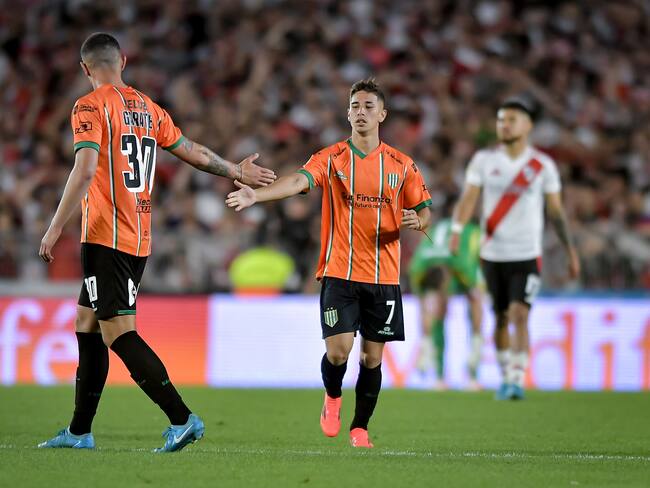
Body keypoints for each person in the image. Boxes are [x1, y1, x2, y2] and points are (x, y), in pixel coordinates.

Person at [37, 33, 275, 451]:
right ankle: (79, 431)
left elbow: (86, 167)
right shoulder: (148, 109)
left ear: (84, 68)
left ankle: (182, 419)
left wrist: (56, 225)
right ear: (123, 60)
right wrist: (234, 170)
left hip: (105, 235)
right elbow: (194, 152)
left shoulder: (89, 106)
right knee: (86, 324)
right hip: (138, 235)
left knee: (118, 334)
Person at [226, 78, 432, 448]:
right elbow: (296, 181)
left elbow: (424, 208)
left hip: (384, 276)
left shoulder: (402, 164)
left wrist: (420, 220)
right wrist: (257, 196)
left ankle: (360, 428)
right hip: (340, 272)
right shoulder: (333, 158)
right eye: (355, 106)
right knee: (338, 351)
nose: (361, 112)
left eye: (369, 106)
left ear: (382, 114)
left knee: (372, 359)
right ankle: (332, 397)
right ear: (347, 113)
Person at [450, 96, 580, 400]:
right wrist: (456, 230)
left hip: (527, 254)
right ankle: (506, 373)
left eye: (511, 120)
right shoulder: (484, 160)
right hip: (492, 254)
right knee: (501, 317)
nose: (504, 125)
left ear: (528, 125)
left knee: (521, 312)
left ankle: (518, 379)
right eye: (500, 120)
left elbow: (557, 213)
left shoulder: (542, 166)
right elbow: (469, 199)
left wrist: (570, 251)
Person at [408, 216, 484, 391]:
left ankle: (474, 359)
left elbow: (475, 293)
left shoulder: (462, 263)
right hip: (442, 261)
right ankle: (439, 373)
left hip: (462, 255)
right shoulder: (418, 268)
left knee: (475, 301)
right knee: (437, 310)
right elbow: (424, 305)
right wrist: (425, 339)